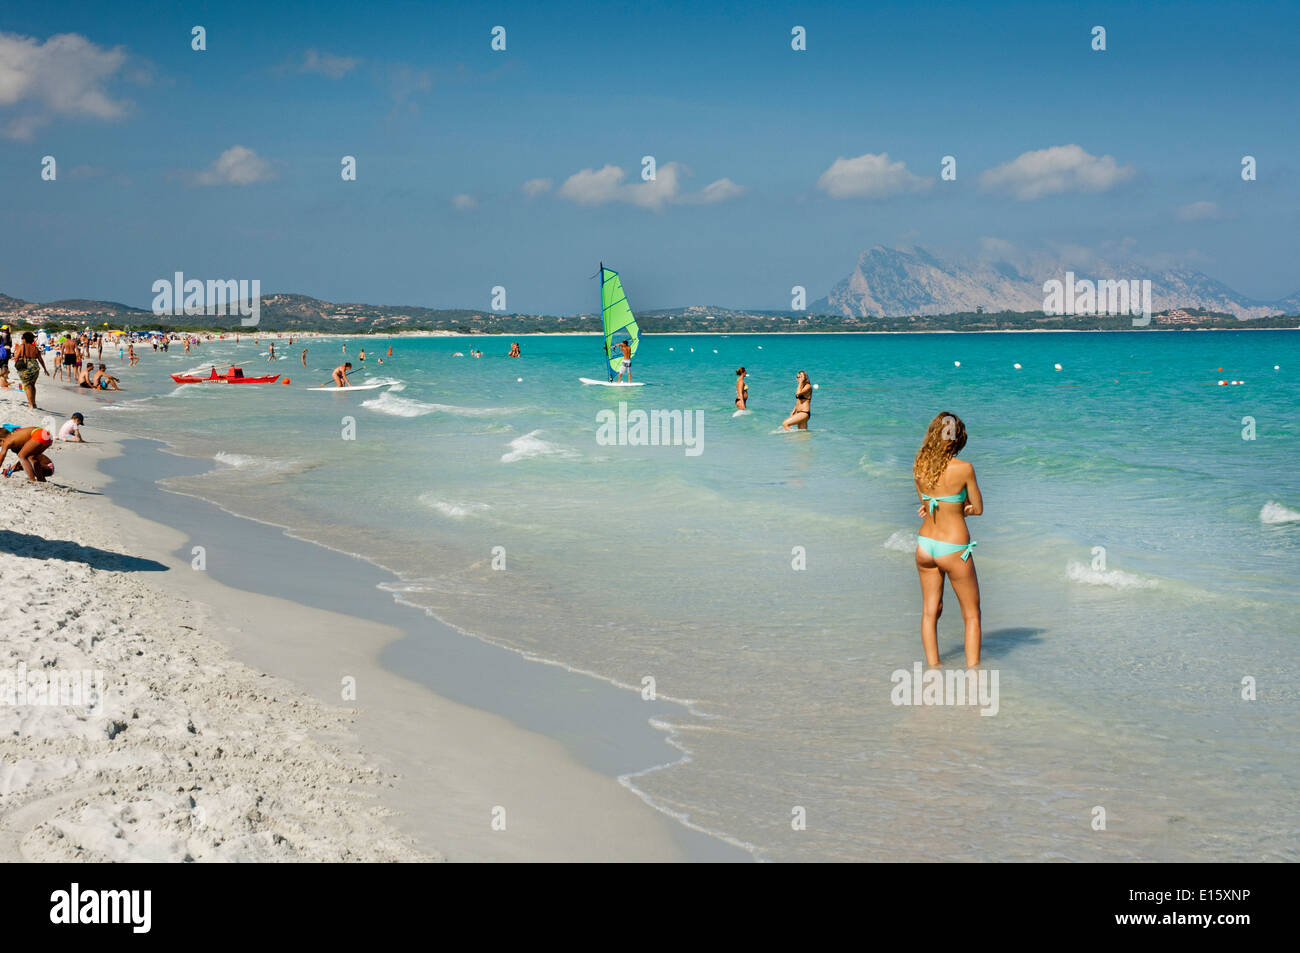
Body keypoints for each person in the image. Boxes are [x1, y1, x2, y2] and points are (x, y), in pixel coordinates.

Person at [912, 412, 983, 668]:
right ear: (958, 439)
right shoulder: (964, 469)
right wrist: (962, 506)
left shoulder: (919, 464)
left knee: (930, 612)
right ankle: (974, 674)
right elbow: (977, 507)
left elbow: (926, 505)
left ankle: (933, 669)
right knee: (972, 615)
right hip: (954, 548)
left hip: (925, 545)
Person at [12, 331, 48, 410]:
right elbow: (40, 359)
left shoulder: (21, 347)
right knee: (32, 385)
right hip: (35, 367)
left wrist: (16, 362)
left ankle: (31, 404)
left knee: (27, 386)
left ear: (25, 339)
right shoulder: (34, 348)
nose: (22, 339)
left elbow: (16, 357)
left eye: (22, 338)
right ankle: (34, 403)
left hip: (25, 367)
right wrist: (45, 369)